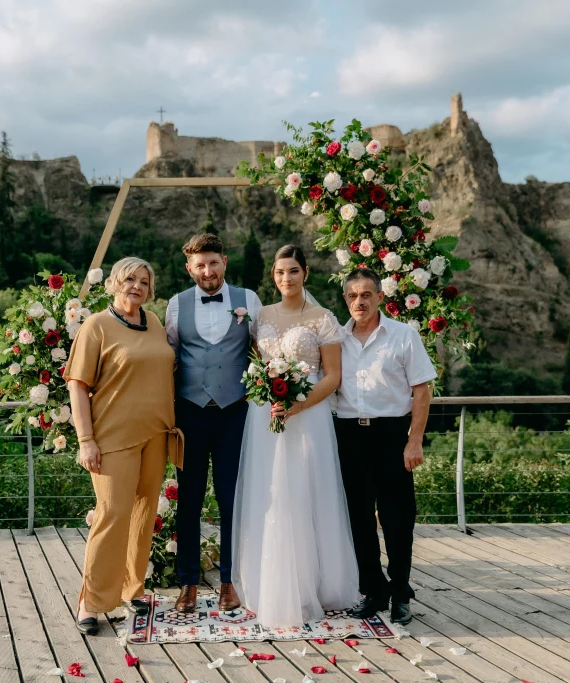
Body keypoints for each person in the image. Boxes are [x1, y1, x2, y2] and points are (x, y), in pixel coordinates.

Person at [232, 245, 358, 626]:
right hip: (265, 417)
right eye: (279, 272)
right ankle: (269, 581)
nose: (285, 279)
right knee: (269, 494)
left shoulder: (323, 319)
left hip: (308, 417)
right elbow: (258, 366)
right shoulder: (261, 316)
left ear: (306, 273)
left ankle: (311, 587)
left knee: (305, 494)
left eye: (293, 271)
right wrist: (269, 397)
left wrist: (298, 406)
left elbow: (333, 376)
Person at [65, 256, 182, 635]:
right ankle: (91, 600)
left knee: (144, 514)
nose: (137, 286)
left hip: (157, 436)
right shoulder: (97, 325)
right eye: (130, 279)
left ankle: (133, 588)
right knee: (112, 514)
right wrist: (86, 441)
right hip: (113, 438)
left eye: (145, 282)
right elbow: (77, 385)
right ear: (115, 283)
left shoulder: (154, 323)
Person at [166, 233, 263, 613]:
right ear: (189, 268)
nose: (208, 271)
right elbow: (168, 358)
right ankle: (188, 584)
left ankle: (230, 582)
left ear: (224, 261)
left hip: (234, 414)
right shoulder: (176, 305)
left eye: (213, 263)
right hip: (189, 414)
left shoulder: (248, 300)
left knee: (231, 499)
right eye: (199, 265)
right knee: (188, 501)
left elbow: (265, 350)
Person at [334, 268, 436, 626]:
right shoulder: (337, 339)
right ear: (345, 299)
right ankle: (373, 591)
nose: (359, 302)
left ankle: (401, 592)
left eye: (366, 294)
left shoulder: (403, 335)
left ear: (379, 297)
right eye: (352, 296)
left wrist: (414, 440)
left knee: (397, 519)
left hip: (392, 436)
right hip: (348, 435)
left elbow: (422, 391)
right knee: (358, 519)